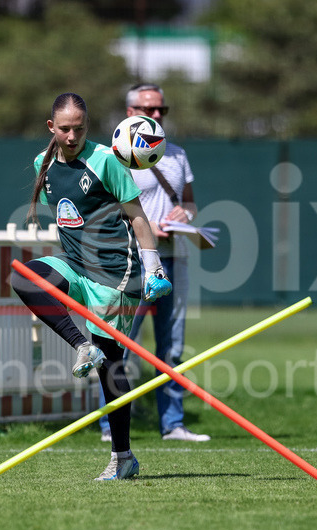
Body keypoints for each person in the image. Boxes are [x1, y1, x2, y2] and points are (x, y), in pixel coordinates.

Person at [10, 92, 171, 480]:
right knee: (25, 276)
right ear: (52, 127)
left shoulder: (106, 160)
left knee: (111, 365)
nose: (71, 136)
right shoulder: (42, 164)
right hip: (77, 267)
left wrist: (153, 268)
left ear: (87, 126)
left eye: (79, 129)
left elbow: (136, 217)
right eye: (64, 129)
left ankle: (123, 457)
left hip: (117, 274)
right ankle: (80, 345)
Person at [98, 83, 209, 443]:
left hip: (174, 258)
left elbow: (190, 203)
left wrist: (184, 214)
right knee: (119, 344)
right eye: (149, 108)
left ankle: (173, 424)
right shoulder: (112, 156)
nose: (157, 115)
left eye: (162, 109)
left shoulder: (176, 154)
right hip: (131, 262)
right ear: (130, 112)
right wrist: (145, 229)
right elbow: (105, 209)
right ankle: (108, 425)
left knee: (172, 347)